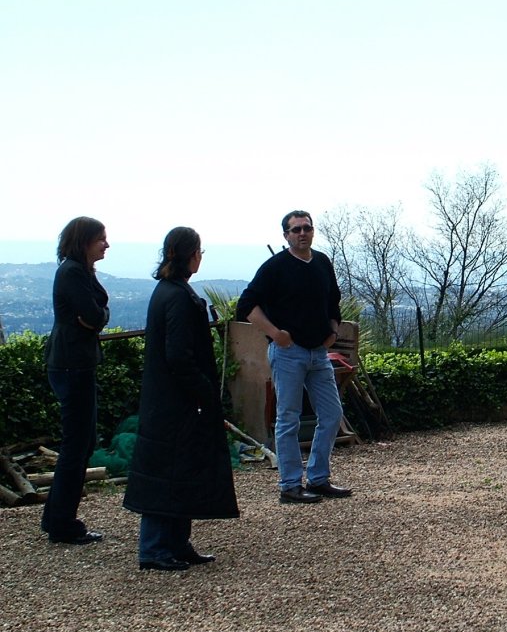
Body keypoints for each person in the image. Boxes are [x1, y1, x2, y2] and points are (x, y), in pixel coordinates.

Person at [123, 227, 239, 571]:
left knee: (180, 468)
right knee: (167, 470)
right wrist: (203, 389)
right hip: (175, 402)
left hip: (172, 400)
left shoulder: (170, 291)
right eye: (199, 251)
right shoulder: (175, 296)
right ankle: (155, 547)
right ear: (191, 255)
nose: (200, 257)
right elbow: (178, 356)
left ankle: (176, 542)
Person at [235, 210, 352, 504]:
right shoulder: (275, 267)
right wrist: (275, 333)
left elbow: (333, 302)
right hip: (289, 354)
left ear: (312, 231)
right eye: (296, 229)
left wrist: (333, 332)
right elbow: (246, 305)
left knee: (332, 414)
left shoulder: (322, 263)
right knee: (288, 419)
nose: (302, 233)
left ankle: (318, 478)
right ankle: (289, 485)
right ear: (286, 235)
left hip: (319, 353)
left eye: (306, 228)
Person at [42, 216, 110, 545]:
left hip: (75, 364)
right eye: (101, 239)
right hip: (71, 365)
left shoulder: (80, 271)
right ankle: (62, 523)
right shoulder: (72, 272)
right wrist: (96, 316)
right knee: (77, 445)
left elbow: (96, 315)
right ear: (84, 242)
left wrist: (96, 316)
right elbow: (94, 315)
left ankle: (56, 517)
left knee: (82, 443)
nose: (106, 245)